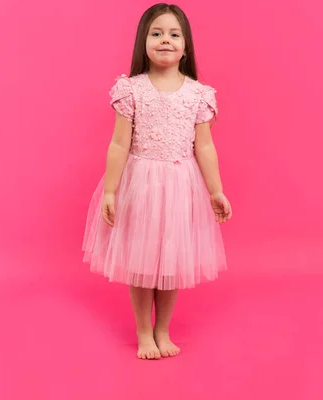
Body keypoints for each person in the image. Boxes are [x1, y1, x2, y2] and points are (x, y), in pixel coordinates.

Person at [82, 3, 232, 360]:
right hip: (142, 185)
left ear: (186, 45)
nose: (166, 40)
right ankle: (144, 332)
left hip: (181, 186)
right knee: (143, 261)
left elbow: (205, 147)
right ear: (143, 41)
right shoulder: (131, 90)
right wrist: (111, 190)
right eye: (157, 33)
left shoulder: (198, 94)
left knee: (172, 263)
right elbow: (119, 143)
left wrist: (216, 190)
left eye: (174, 34)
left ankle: (163, 330)